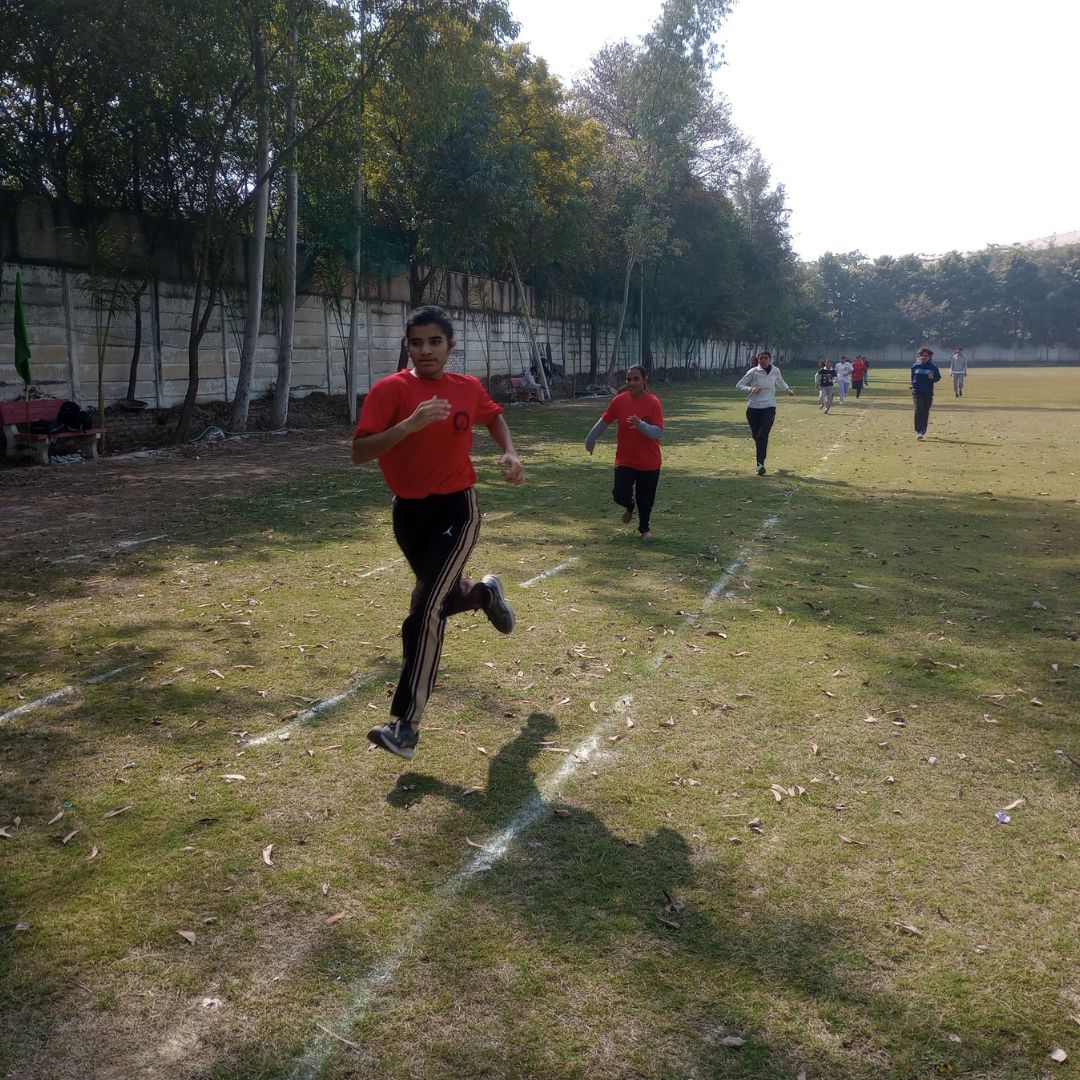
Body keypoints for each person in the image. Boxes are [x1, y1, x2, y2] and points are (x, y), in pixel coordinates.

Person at [351, 305, 525, 760]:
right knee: (442, 600)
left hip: (457, 509)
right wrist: (410, 424)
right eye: (417, 342)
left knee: (425, 607)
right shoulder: (389, 391)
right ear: (407, 346)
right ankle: (485, 594)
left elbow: (493, 416)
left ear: (450, 346)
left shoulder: (466, 388)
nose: (426, 350)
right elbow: (360, 451)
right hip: (409, 514)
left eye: (435, 342)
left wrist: (509, 451)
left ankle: (405, 725)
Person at [584, 365, 663, 540]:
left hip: (649, 462)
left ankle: (644, 530)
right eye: (628, 379)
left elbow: (657, 432)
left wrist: (641, 425)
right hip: (625, 459)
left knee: (645, 500)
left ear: (644, 380)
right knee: (619, 494)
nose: (631, 383)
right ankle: (629, 505)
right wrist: (591, 438)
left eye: (636, 379)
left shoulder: (653, 402)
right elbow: (604, 421)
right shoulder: (619, 400)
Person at [736, 350, 794, 475]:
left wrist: (787, 389)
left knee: (762, 436)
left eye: (765, 358)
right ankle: (760, 458)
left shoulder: (775, 370)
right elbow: (739, 385)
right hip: (753, 408)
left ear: (770, 359)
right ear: (758, 360)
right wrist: (751, 388)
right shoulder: (753, 372)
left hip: (769, 406)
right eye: (760, 358)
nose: (763, 360)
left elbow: (780, 382)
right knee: (756, 436)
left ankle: (760, 464)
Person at [910, 346, 942, 440]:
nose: (924, 357)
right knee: (918, 409)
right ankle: (918, 431)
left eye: (926, 355)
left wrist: (932, 378)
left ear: (930, 357)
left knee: (925, 410)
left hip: (928, 392)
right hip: (917, 391)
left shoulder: (933, 367)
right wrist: (912, 384)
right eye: (922, 355)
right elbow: (913, 376)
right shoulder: (915, 366)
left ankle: (923, 428)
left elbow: (938, 378)